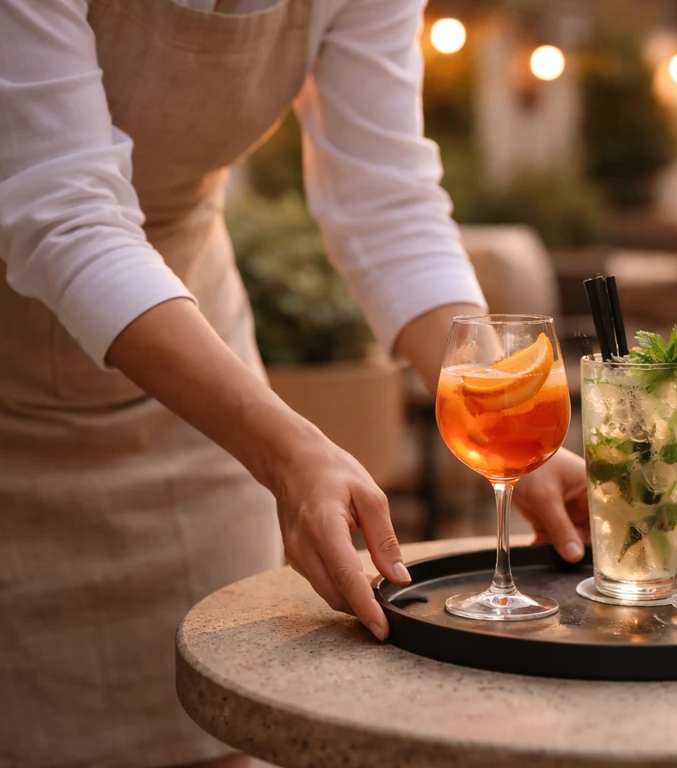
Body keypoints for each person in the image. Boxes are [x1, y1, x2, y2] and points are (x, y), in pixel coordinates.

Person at [0, 1, 591, 766]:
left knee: (219, 717)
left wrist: (496, 398)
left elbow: (387, 205)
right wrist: (282, 447)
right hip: (95, 364)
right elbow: (62, 213)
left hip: (192, 379)